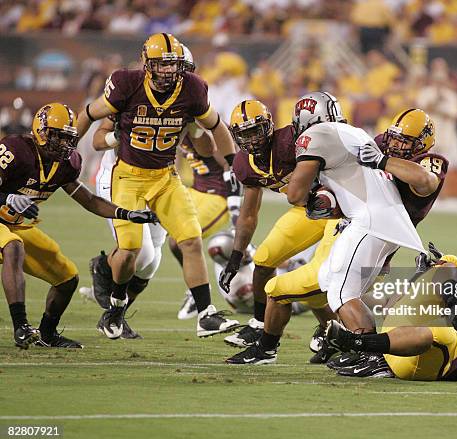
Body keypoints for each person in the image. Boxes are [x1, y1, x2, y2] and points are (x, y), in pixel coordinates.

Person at [76, 33, 238, 339]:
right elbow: (92, 124)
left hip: (164, 177)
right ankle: (114, 301)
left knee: (183, 245)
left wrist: (233, 163)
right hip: (125, 175)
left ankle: (205, 314)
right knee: (134, 251)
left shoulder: (192, 92)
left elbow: (215, 130)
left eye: (175, 66)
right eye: (162, 65)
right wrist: (72, 148)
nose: (170, 72)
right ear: (147, 65)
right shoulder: (126, 86)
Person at [0, 103, 156, 348]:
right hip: (7, 227)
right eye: (58, 137)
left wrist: (126, 213)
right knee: (12, 246)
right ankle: (21, 327)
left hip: (14, 225)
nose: (64, 144)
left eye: (68, 138)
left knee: (67, 277)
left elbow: (90, 200)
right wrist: (7, 197)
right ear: (41, 130)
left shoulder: (65, 164)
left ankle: (47, 335)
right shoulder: (15, 150)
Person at [286, 92, 429, 335]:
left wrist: (312, 196)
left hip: (369, 223)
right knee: (331, 281)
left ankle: (371, 354)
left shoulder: (316, 134)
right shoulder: (355, 133)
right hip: (385, 223)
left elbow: (295, 195)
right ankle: (354, 343)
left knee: (341, 295)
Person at [219, 100, 335, 361]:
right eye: (245, 134)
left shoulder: (291, 141)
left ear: (269, 125)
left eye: (256, 130)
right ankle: (260, 324)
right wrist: (236, 258)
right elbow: (248, 215)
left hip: (336, 211)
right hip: (304, 211)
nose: (252, 140)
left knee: (318, 280)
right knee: (263, 259)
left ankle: (336, 332)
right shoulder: (244, 164)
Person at [325, 255, 457, 380]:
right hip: (401, 344)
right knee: (452, 263)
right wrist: (419, 274)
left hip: (429, 364)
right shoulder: (453, 298)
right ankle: (371, 354)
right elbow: (389, 309)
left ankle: (359, 343)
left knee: (442, 332)